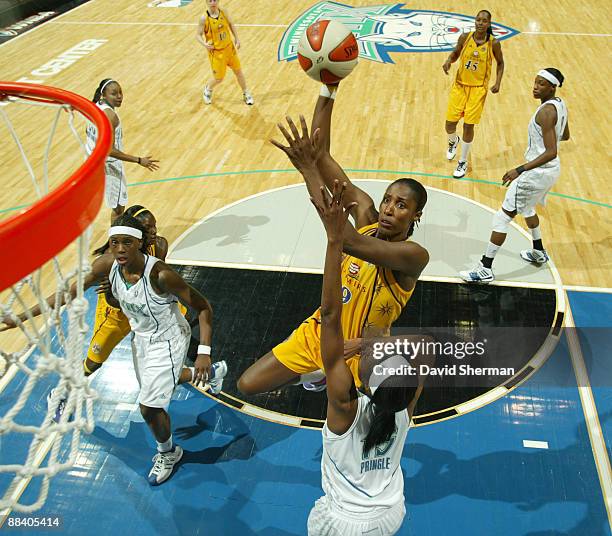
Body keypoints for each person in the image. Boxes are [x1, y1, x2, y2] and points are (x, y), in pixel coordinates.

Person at [1, 214, 225, 486]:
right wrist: (22, 316)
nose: (119, 249)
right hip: (141, 337)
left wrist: (203, 351)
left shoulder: (161, 275)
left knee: (149, 407)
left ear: (139, 244)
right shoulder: (107, 265)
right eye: (114, 242)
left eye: (127, 243)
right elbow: (67, 293)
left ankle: (169, 453)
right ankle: (211, 374)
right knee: (164, 381)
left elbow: (203, 307)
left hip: (169, 338)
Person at [237, 84, 429, 396]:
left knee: (365, 426)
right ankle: (315, 373)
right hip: (322, 331)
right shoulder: (367, 215)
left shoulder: (413, 255)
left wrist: (307, 172)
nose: (389, 209)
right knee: (248, 385)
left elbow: (346, 240)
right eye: (387, 200)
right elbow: (321, 153)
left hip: (364, 348)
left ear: (416, 216)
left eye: (401, 205)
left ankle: (324, 375)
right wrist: (328, 87)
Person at [307, 180, 424, 536]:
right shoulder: (403, 410)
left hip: (344, 521)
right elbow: (424, 345)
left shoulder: (346, 408)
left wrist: (332, 240)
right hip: (389, 512)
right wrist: (366, 346)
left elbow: (329, 315)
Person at [460, 68, 570, 283]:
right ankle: (538, 251)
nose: (535, 87)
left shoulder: (546, 112)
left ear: (552, 87)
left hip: (536, 173)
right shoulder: (560, 104)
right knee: (528, 208)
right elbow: (564, 135)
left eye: (541, 84)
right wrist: (547, 138)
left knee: (502, 218)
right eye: (535, 82)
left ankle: (485, 268)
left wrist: (520, 169)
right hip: (551, 172)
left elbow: (551, 151)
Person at [85, 79, 159, 223]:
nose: (119, 96)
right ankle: (115, 242)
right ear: (104, 95)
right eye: (114, 94)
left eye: (120, 93)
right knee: (119, 208)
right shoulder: (110, 116)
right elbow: (109, 151)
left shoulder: (94, 106)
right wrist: (139, 160)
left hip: (92, 160)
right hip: (109, 164)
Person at [442, 10, 504, 178]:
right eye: (478, 20)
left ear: (489, 24)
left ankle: (463, 161)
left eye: (484, 21)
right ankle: (453, 141)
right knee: (449, 124)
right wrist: (449, 60)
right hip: (460, 86)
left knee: (468, 125)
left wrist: (497, 82)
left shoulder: (494, 43)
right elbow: (456, 53)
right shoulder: (465, 37)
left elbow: (500, 63)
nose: (480, 23)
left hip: (478, 90)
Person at [196, 0, 254, 105]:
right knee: (219, 78)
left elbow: (231, 24)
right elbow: (198, 35)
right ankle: (208, 89)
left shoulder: (223, 11)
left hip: (229, 49)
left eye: (215, 0)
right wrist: (205, 44)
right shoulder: (204, 18)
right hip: (217, 53)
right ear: (206, 2)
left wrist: (237, 38)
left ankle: (246, 93)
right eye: (210, 1)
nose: (213, 2)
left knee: (239, 72)